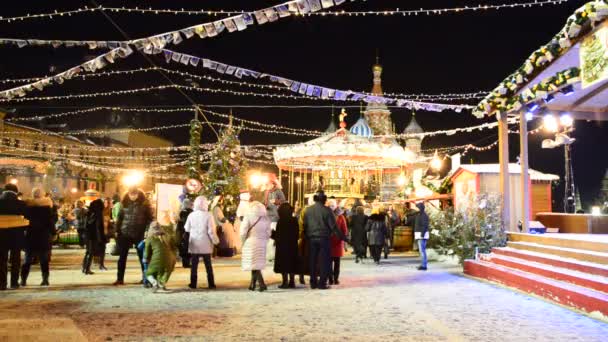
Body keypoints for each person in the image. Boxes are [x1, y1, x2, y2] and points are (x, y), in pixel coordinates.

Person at [303, 191, 348, 289]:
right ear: (324, 199)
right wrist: (344, 238)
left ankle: (313, 282)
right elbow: (334, 228)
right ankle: (322, 283)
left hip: (311, 239)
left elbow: (305, 226)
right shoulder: (327, 211)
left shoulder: (308, 210)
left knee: (313, 261)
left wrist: (306, 238)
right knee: (324, 261)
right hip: (324, 239)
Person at [113, 187, 153, 286]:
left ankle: (145, 278)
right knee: (122, 257)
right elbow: (119, 218)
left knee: (142, 257)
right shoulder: (124, 204)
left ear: (138, 194)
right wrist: (117, 231)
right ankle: (120, 279)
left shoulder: (145, 205)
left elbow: (150, 219)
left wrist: (147, 231)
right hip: (124, 233)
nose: (133, 196)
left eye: (135, 194)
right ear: (128, 194)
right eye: (131, 194)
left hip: (139, 234)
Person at [21, 188, 55, 287]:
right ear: (42, 195)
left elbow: (24, 222)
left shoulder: (28, 206)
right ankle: (45, 279)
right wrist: (53, 233)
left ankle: (23, 280)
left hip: (31, 236)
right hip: (43, 236)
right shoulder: (47, 207)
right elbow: (50, 223)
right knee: (44, 260)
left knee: (27, 260)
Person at [185, 196, 219, 289]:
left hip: (194, 243)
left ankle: (193, 283)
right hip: (205, 244)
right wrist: (215, 241)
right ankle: (211, 283)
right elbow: (211, 231)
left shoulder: (191, 215)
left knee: (194, 265)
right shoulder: (208, 215)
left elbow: (186, 228)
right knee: (208, 265)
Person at [240, 200, 272, 292]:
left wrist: (243, 241)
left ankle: (262, 284)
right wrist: (264, 240)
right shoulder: (266, 218)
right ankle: (252, 284)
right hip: (262, 243)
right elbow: (268, 232)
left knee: (254, 264)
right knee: (255, 264)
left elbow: (243, 232)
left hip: (251, 242)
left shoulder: (248, 216)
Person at [0, 183, 27, 290]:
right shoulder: (21, 204)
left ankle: (2, 283)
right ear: (16, 192)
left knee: (1, 259)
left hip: (1, 235)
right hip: (17, 235)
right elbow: (26, 220)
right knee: (16, 259)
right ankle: (14, 282)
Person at [272, 203, 299, 289]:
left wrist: (272, 233)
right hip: (292, 245)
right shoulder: (294, 220)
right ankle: (292, 281)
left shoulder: (281, 221)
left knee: (283, 264)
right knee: (292, 263)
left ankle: (285, 282)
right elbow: (297, 233)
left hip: (282, 246)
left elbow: (278, 235)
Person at [144, 221, 177, 291]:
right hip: (170, 259)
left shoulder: (150, 238)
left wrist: (146, 259)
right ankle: (162, 283)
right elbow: (174, 247)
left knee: (148, 273)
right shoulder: (168, 236)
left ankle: (154, 283)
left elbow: (147, 252)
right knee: (165, 271)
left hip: (157, 259)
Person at [82, 199, 106, 275]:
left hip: (88, 234)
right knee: (91, 252)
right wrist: (100, 237)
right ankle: (87, 269)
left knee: (88, 251)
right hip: (94, 235)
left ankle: (84, 268)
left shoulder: (89, 212)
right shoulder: (97, 213)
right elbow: (98, 227)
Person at [328, 201, 348, 285]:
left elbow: (344, 230)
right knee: (331, 263)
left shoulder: (340, 217)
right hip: (331, 242)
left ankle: (334, 279)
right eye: (330, 206)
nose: (331, 207)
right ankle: (332, 279)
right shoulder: (338, 216)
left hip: (335, 242)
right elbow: (344, 230)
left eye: (333, 206)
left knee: (334, 262)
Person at [176, 198, 193, 268]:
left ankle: (185, 263)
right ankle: (186, 263)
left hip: (182, 232)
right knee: (187, 247)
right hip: (188, 232)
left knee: (184, 248)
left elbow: (180, 222)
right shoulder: (190, 212)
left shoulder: (182, 212)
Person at [413, 202, 429, 271]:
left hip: (422, 235)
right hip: (420, 235)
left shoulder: (423, 215)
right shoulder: (420, 214)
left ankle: (424, 265)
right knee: (422, 250)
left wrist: (422, 234)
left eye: (418, 208)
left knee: (422, 251)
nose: (417, 209)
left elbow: (424, 225)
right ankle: (423, 264)